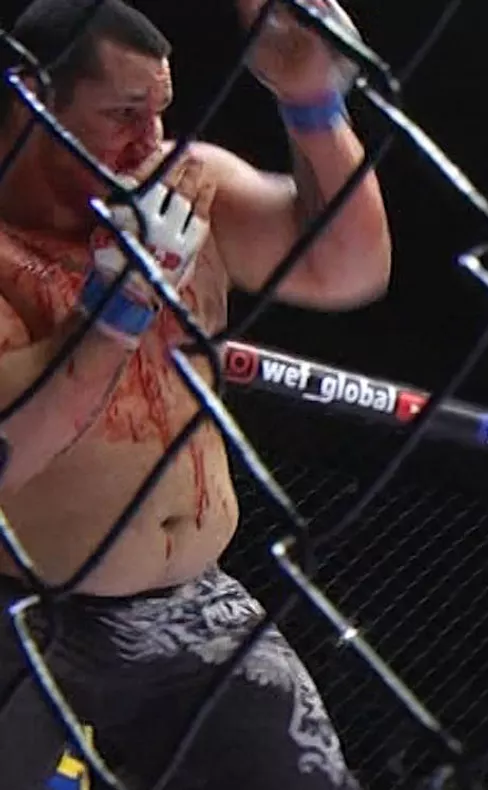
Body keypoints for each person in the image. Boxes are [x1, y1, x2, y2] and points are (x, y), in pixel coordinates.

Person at [0, 0, 390, 788]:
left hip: (189, 607)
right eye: (123, 113)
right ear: (33, 98)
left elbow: (349, 270)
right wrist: (115, 314)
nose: (150, 138)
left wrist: (312, 106)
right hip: (19, 612)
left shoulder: (185, 185)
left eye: (161, 109)